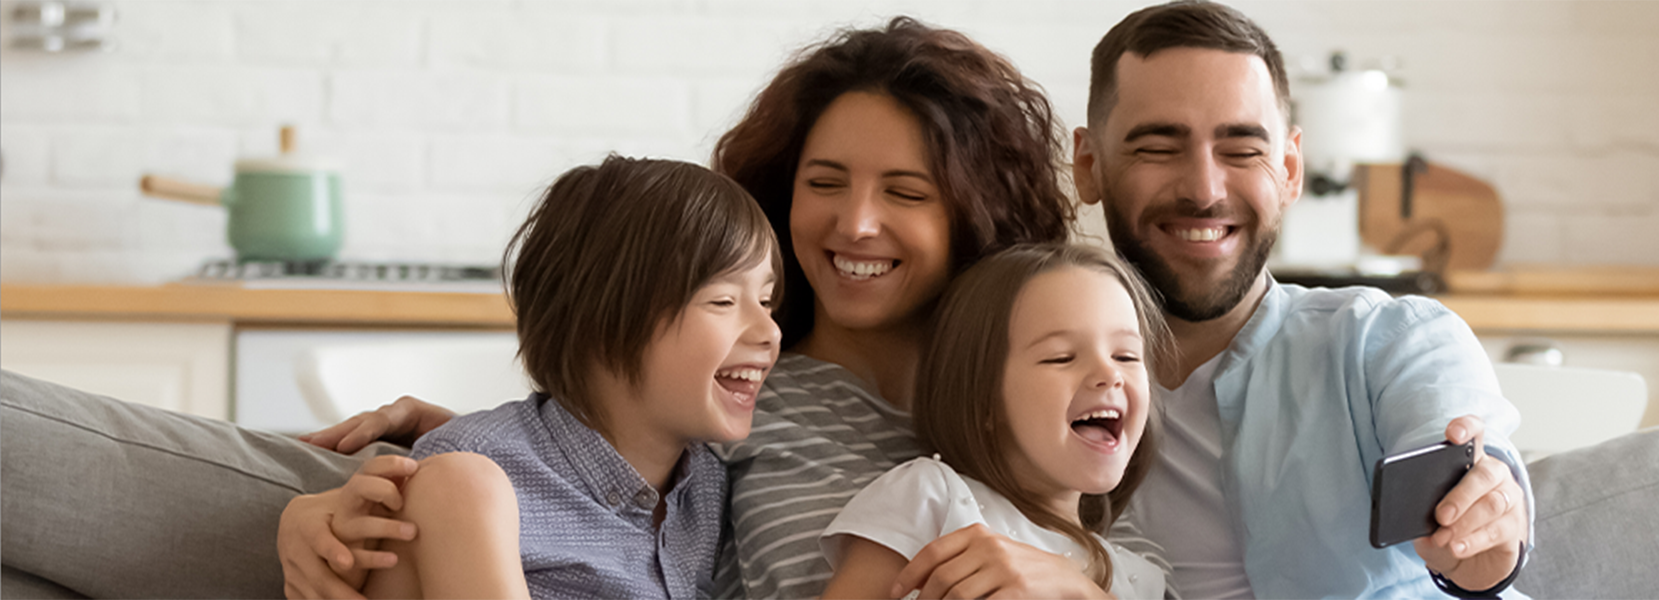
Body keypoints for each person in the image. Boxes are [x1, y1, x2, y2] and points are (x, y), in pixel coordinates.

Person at [278, 17, 1157, 600]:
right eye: (824, 184)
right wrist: (325, 502)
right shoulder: (735, 406)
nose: (856, 222)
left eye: (905, 191)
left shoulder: (1040, 401)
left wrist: (1079, 584)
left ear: (977, 212)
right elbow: (586, 449)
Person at [1068, 2, 1532, 598]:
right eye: (1158, 147)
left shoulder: (1389, 340)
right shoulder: (1033, 377)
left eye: (1241, 150)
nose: (1205, 190)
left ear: (1289, 168)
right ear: (1088, 166)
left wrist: (1484, 533)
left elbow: (1469, 468)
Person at [334, 156, 781, 599]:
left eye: (765, 301)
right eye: (722, 301)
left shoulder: (712, 486)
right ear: (602, 322)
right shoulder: (466, 479)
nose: (769, 331)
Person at [820, 244, 1172, 600]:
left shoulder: (1141, 581)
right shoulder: (932, 498)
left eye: (1126, 355)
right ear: (983, 397)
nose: (1109, 374)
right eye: (1061, 358)